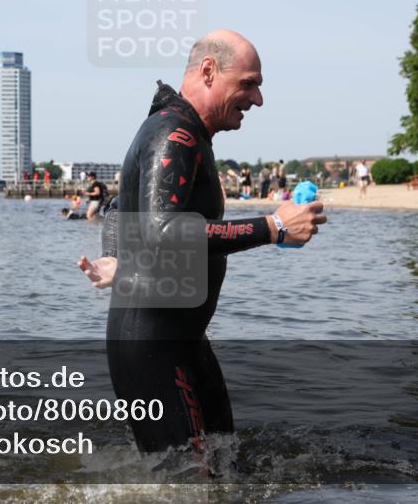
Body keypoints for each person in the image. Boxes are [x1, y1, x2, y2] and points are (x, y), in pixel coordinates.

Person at [86, 29, 326, 461]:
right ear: (209, 71)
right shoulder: (173, 134)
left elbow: (122, 204)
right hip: (154, 344)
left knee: (226, 469)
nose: (257, 99)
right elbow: (163, 231)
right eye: (248, 84)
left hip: (184, 339)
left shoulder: (189, 133)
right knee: (194, 487)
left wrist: (117, 256)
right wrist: (272, 227)